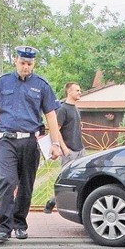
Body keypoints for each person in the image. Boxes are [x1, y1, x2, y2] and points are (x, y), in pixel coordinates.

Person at [0, 46, 63, 241]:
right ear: (15, 61)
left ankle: (20, 224)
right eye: (23, 63)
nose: (26, 67)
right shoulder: (4, 83)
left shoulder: (42, 85)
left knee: (26, 184)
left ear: (33, 64)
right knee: (7, 180)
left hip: (30, 141)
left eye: (29, 64)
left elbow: (51, 115)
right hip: (6, 140)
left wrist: (56, 143)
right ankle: (4, 227)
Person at [44, 82, 85, 213]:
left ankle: (74, 205)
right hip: (69, 151)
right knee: (67, 180)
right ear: (69, 92)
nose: (80, 92)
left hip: (79, 150)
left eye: (80, 90)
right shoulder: (63, 109)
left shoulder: (76, 109)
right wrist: (64, 148)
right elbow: (56, 130)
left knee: (79, 180)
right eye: (77, 90)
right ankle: (52, 202)